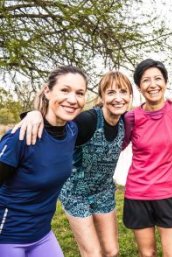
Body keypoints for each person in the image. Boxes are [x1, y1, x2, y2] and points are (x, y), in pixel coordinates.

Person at [11, 71, 133, 257]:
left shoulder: (126, 121)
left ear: (130, 96)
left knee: (112, 250)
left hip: (104, 191)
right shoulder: (88, 121)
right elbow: (55, 125)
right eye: (111, 92)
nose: (118, 98)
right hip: (76, 194)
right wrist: (34, 113)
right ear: (101, 97)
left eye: (123, 92)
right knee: (92, 253)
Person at [0, 65, 88, 257]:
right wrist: (32, 114)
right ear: (47, 91)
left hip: (42, 234)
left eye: (80, 93)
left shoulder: (71, 130)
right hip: (8, 236)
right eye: (65, 90)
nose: (72, 99)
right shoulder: (21, 136)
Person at [122, 59, 172, 257]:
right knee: (147, 253)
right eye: (146, 80)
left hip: (167, 193)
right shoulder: (131, 117)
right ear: (139, 87)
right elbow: (114, 145)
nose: (153, 84)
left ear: (165, 83)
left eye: (158, 78)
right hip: (137, 194)